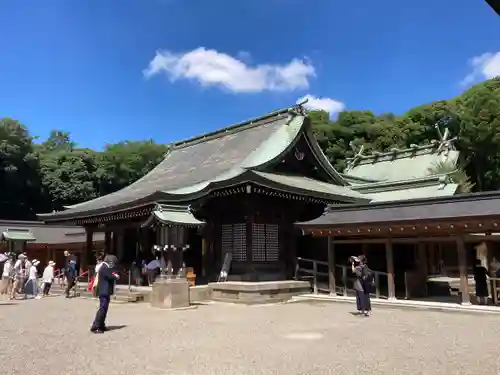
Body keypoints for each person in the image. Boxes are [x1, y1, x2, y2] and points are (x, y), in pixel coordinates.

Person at [90, 254, 120, 334]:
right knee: (102, 309)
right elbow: (111, 276)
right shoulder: (104, 267)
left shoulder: (105, 267)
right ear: (110, 261)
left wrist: (115, 274)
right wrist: (116, 276)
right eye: (113, 262)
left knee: (104, 309)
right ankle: (95, 326)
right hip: (104, 291)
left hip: (105, 291)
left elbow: (113, 272)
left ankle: (101, 325)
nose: (114, 264)